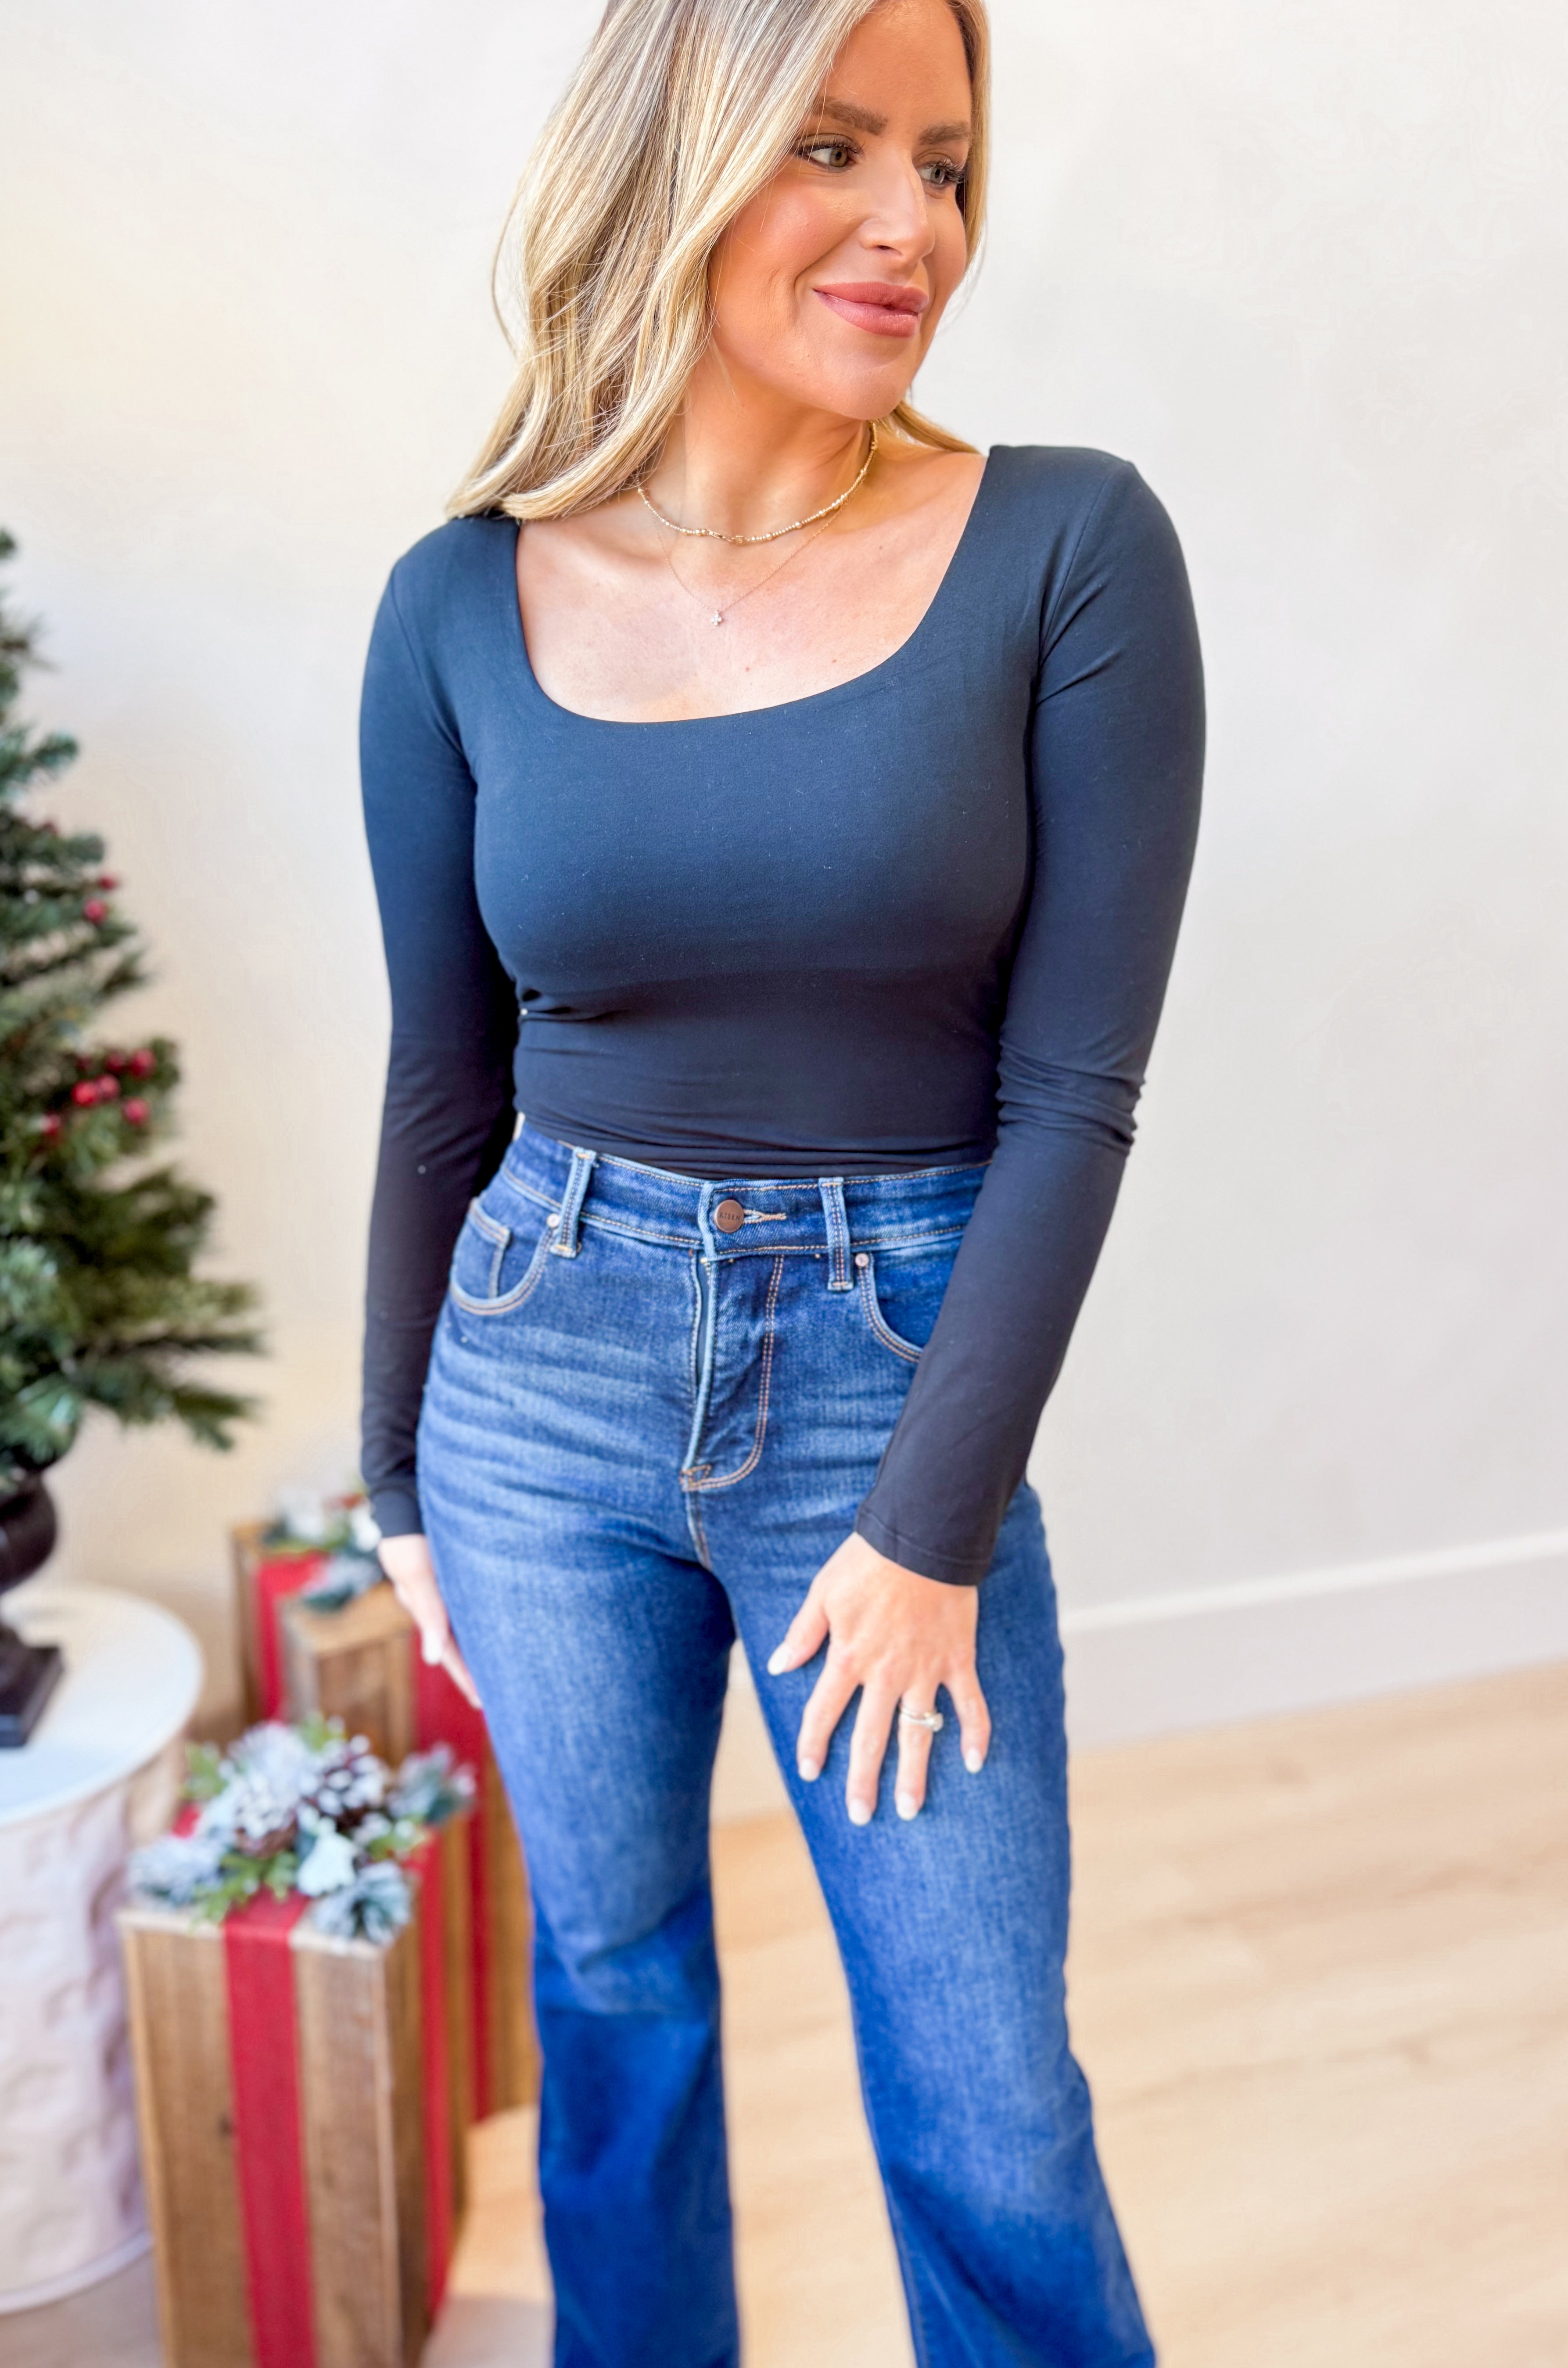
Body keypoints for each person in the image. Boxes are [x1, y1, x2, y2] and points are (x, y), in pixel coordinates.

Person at [359, 0, 1202, 2357]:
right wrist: (393, 1473)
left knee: (988, 2095)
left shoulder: (1069, 547)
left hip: (889, 1382)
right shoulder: (456, 603)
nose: (910, 222)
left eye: (945, 161)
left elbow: (1074, 1099)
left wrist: (931, 1530)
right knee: (614, 2000)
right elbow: (443, 1077)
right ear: (682, 151)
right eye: (833, 146)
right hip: (534, 1381)